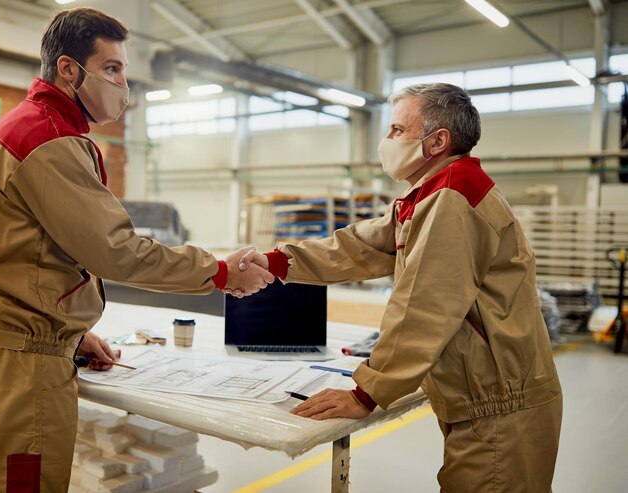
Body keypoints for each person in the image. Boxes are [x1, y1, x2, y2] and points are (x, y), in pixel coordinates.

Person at [0, 8, 272, 492]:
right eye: (111, 69)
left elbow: (24, 253)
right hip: (24, 366)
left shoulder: (18, 128)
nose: (124, 85)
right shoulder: (49, 140)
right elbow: (116, 251)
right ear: (68, 69)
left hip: (4, 346)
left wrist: (71, 335)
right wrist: (221, 272)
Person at [238, 83, 562, 492]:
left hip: (500, 403)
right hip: (487, 393)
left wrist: (367, 392)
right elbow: (360, 245)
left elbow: (424, 306)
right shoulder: (430, 194)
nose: (386, 141)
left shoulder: (452, 197)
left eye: (396, 130)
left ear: (437, 141)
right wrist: (278, 261)